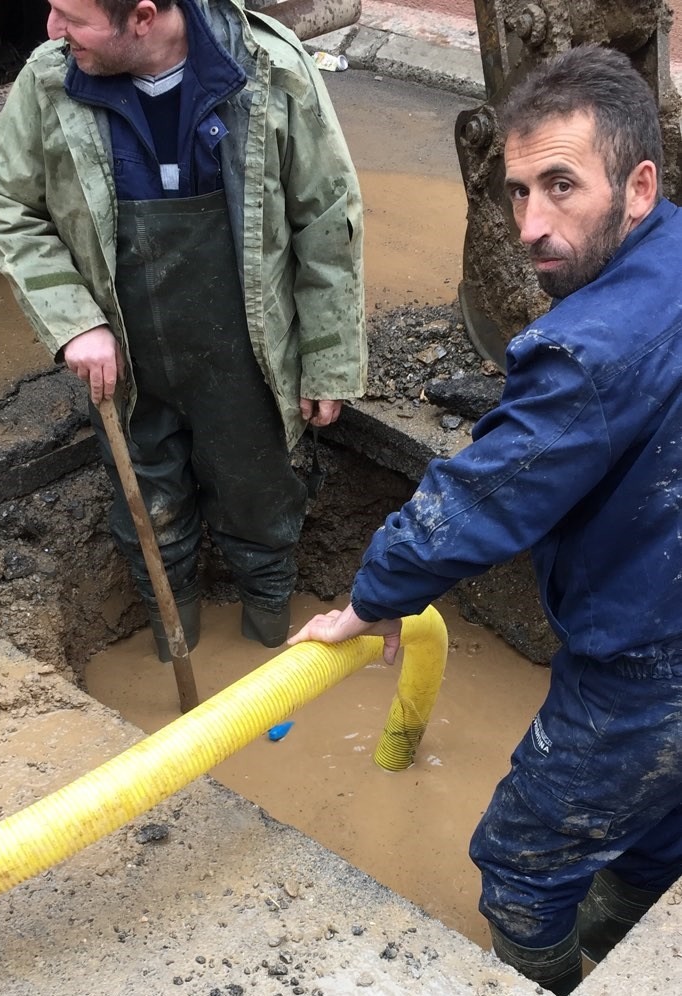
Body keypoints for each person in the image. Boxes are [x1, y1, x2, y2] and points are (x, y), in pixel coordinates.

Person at [289, 44, 682, 995]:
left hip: (644, 659)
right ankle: (625, 923)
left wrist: (371, 597)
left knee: (517, 862)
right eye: (516, 193)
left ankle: (549, 968)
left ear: (638, 183)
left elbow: (483, 496)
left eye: (560, 186)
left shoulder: (585, 349)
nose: (531, 226)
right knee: (661, 817)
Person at [0, 0, 366, 658]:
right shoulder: (50, 81)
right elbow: (1, 199)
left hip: (247, 353)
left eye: (72, 16)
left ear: (145, 17)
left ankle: (269, 640)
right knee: (148, 514)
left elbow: (327, 220)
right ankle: (171, 640)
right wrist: (73, 321)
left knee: (259, 500)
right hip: (123, 358)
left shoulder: (268, 70)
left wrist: (327, 360)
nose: (51, 31)